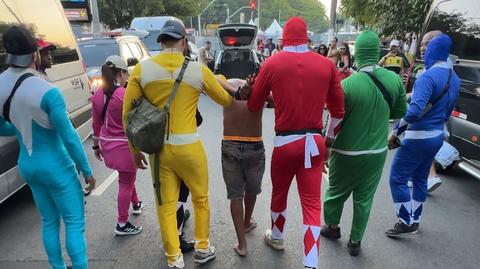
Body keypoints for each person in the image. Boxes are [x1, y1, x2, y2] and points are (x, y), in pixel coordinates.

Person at [123, 19, 233, 269]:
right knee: (200, 198)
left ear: (161, 42)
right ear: (184, 42)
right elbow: (226, 101)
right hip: (190, 149)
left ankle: (174, 258)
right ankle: (203, 248)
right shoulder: (198, 71)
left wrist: (134, 150)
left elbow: (127, 114)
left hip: (159, 152)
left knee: (165, 205)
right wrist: (221, 78)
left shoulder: (141, 70)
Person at [240, 17, 345, 269]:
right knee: (311, 204)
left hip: (285, 144)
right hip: (315, 143)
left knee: (279, 193)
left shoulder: (271, 63)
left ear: (284, 37)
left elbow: (253, 105)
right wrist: (329, 140)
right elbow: (338, 111)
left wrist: (269, 96)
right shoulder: (325, 65)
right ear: (307, 37)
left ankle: (277, 237)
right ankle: (311, 262)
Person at [0, 26, 95, 269]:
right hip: (56, 166)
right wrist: (86, 170)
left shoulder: (0, 84)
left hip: (28, 165)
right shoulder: (47, 91)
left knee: (49, 221)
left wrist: (21, 128)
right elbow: (70, 137)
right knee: (74, 222)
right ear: (34, 55)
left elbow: (3, 127)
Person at [320, 31, 407, 256]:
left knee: (336, 193)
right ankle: (355, 241)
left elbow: (335, 120)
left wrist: (327, 147)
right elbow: (399, 112)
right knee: (364, 199)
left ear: (358, 52)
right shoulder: (394, 80)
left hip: (346, 152)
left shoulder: (348, 85)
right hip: (376, 153)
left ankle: (332, 227)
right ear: (377, 52)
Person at [386, 34, 460, 237]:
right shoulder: (454, 77)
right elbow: (448, 110)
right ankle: (415, 219)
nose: (423, 49)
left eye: (427, 44)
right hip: (436, 137)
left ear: (433, 49)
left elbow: (414, 112)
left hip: (417, 137)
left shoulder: (427, 77)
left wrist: (395, 130)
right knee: (420, 179)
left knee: (397, 179)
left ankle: (404, 220)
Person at [91, 55, 145, 236]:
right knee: (126, 182)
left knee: (126, 178)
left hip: (107, 145)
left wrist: (96, 146)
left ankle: (136, 203)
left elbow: (96, 123)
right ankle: (122, 224)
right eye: (126, 74)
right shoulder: (123, 94)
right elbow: (137, 121)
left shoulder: (98, 93)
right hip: (124, 147)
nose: (127, 78)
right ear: (121, 73)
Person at [215, 76, 266, 257]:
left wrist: (234, 91)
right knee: (252, 190)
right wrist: (245, 91)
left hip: (230, 145)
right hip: (254, 145)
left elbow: (212, 78)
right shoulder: (259, 88)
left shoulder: (227, 84)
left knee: (236, 195)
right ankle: (246, 223)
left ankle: (242, 244)